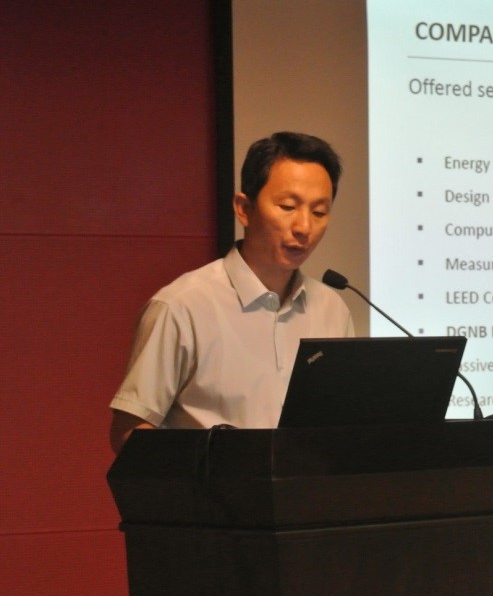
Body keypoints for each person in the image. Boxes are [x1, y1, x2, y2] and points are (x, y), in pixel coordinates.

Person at [109, 132, 354, 453]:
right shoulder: (182, 306)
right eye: (288, 206)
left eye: (319, 212)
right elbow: (128, 432)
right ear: (243, 209)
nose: (304, 227)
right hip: (214, 485)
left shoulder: (332, 309)